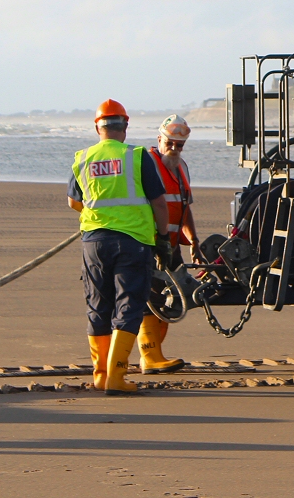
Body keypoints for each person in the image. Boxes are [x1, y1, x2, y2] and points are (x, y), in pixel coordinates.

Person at [68, 99, 173, 396]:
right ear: (124, 126)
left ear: (97, 127)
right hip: (133, 241)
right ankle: (116, 376)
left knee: (98, 305)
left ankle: (101, 375)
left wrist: (101, 214)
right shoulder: (137, 156)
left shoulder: (83, 158)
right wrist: (163, 239)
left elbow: (73, 202)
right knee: (129, 305)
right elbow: (159, 203)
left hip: (93, 241)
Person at [137, 114, 199, 375]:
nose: (174, 149)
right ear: (159, 139)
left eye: (179, 145)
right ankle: (150, 356)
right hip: (149, 244)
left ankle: (154, 353)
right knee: (149, 299)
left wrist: (194, 240)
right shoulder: (147, 163)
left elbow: (185, 207)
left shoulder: (181, 167)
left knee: (169, 301)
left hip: (172, 247)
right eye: (170, 143)